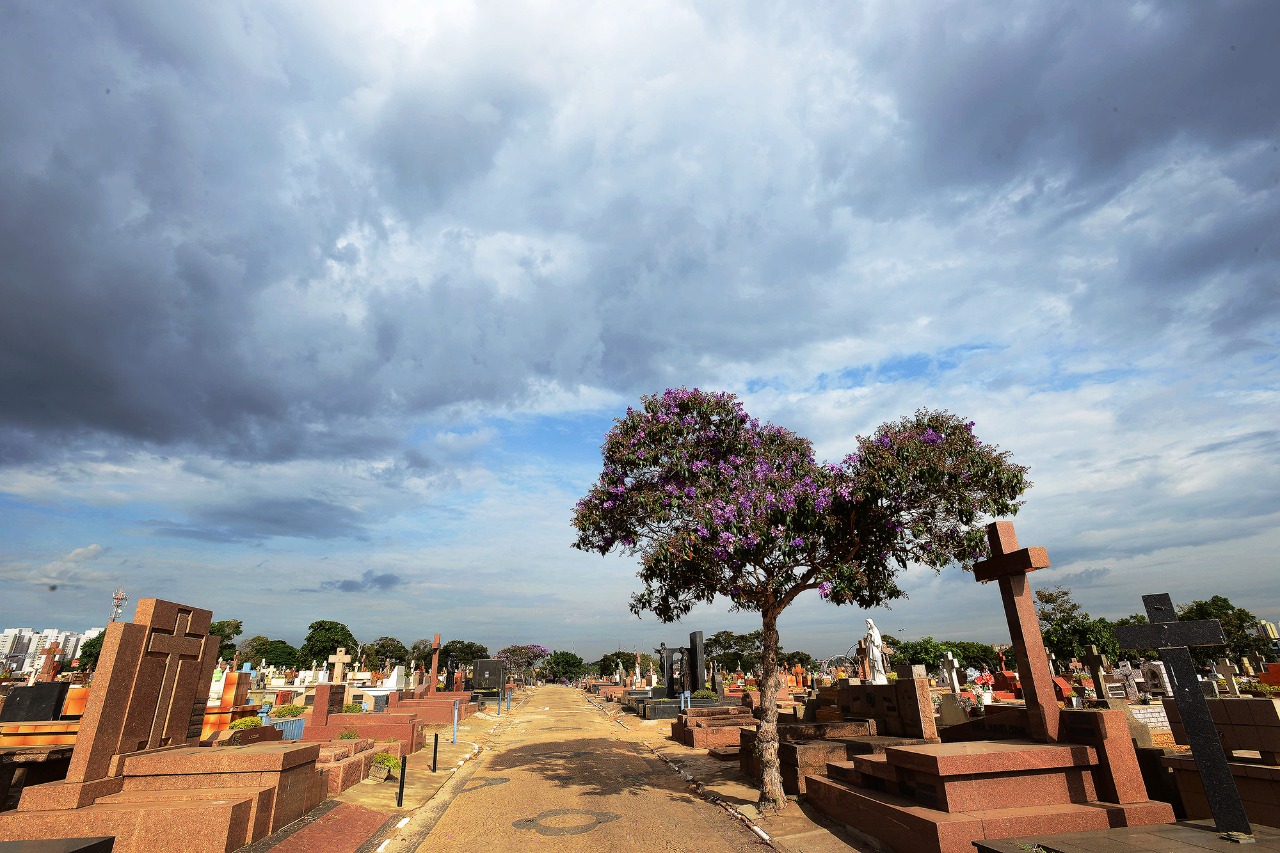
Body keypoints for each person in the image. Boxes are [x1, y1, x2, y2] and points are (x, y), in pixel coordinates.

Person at [865, 618, 889, 684]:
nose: (867, 625)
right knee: (871, 664)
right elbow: (867, 642)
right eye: (866, 623)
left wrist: (871, 635)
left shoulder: (875, 630)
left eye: (868, 623)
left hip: (875, 650)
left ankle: (879, 677)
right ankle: (873, 677)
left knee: (876, 663)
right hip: (870, 649)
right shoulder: (870, 631)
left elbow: (878, 641)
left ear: (870, 623)